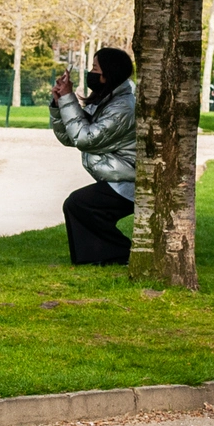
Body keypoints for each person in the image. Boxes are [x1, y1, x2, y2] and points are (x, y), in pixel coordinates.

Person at [50, 48, 136, 265]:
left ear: (109, 73)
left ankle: (120, 254)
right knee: (79, 206)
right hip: (118, 178)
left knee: (79, 204)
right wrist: (59, 103)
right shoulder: (108, 99)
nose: (91, 73)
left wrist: (69, 99)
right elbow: (70, 137)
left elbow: (85, 139)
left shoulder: (123, 107)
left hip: (129, 181)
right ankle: (101, 257)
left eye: (95, 69)